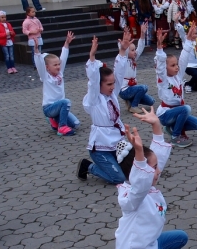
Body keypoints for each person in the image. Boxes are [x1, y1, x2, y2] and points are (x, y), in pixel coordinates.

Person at [110, 111, 187, 249]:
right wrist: (139, 155)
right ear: (138, 172)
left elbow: (156, 156)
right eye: (152, 168)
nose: (158, 170)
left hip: (148, 246)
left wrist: (156, 126)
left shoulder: (146, 184)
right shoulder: (134, 196)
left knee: (180, 237)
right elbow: (140, 178)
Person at [76, 36, 130, 185]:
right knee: (118, 178)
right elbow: (93, 80)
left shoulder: (112, 94)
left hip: (117, 142)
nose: (112, 87)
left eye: (113, 83)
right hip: (100, 147)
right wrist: (92, 57)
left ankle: (111, 165)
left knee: (130, 171)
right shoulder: (94, 98)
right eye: (108, 84)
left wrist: (123, 50)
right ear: (99, 85)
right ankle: (88, 166)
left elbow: (119, 73)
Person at [155, 26, 197, 148]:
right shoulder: (163, 79)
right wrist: (160, 48)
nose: (177, 67)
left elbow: (184, 58)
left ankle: (172, 127)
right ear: (166, 68)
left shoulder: (178, 75)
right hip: (165, 114)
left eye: (176, 65)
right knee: (186, 108)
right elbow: (160, 67)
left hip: (177, 112)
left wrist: (188, 40)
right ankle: (175, 137)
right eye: (173, 65)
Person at [34, 31, 79, 136]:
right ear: (47, 67)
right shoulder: (45, 76)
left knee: (76, 124)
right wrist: (36, 51)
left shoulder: (60, 73)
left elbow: (64, 57)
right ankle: (62, 127)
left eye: (58, 64)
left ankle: (54, 121)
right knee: (66, 102)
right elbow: (39, 63)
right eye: (55, 65)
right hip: (49, 108)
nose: (58, 66)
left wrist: (67, 43)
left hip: (59, 107)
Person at [116, 24, 155, 114]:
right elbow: (123, 49)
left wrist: (142, 33)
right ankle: (133, 106)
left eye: (134, 50)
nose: (135, 52)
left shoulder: (133, 59)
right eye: (132, 50)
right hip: (124, 90)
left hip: (132, 88)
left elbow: (140, 47)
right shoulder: (124, 59)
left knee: (151, 101)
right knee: (143, 88)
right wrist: (125, 38)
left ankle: (130, 101)